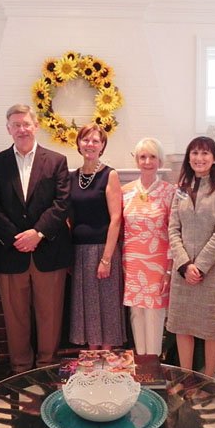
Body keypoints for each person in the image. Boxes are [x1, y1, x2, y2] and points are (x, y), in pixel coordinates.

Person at [0, 104, 71, 374]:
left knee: (50, 315)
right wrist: (16, 238)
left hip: (49, 251)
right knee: (15, 316)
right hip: (11, 253)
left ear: (36, 126)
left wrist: (38, 233)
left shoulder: (56, 161)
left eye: (26, 124)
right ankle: (21, 369)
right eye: (16, 125)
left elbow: (62, 202)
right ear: (8, 129)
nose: (22, 129)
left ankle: (47, 367)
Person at [167, 136, 215, 378]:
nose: (199, 158)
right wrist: (185, 265)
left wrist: (201, 266)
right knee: (182, 326)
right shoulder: (181, 190)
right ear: (188, 158)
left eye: (205, 153)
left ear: (214, 158)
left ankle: (208, 379)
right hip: (183, 271)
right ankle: (186, 377)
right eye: (194, 153)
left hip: (213, 271)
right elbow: (173, 228)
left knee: (210, 329)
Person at [69, 122, 125, 350]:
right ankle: (92, 357)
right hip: (79, 252)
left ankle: (108, 358)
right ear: (79, 144)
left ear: (102, 146)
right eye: (86, 139)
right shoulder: (72, 177)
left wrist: (107, 258)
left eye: (95, 141)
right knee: (87, 307)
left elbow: (116, 218)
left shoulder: (109, 175)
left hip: (103, 249)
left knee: (107, 305)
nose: (90, 144)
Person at [122, 137, 175, 355]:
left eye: (152, 156)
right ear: (136, 160)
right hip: (132, 262)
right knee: (136, 313)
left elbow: (174, 231)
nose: (147, 161)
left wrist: (170, 269)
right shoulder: (125, 191)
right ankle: (140, 363)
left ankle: (152, 366)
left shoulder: (170, 191)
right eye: (142, 156)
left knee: (154, 314)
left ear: (160, 160)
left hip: (158, 263)